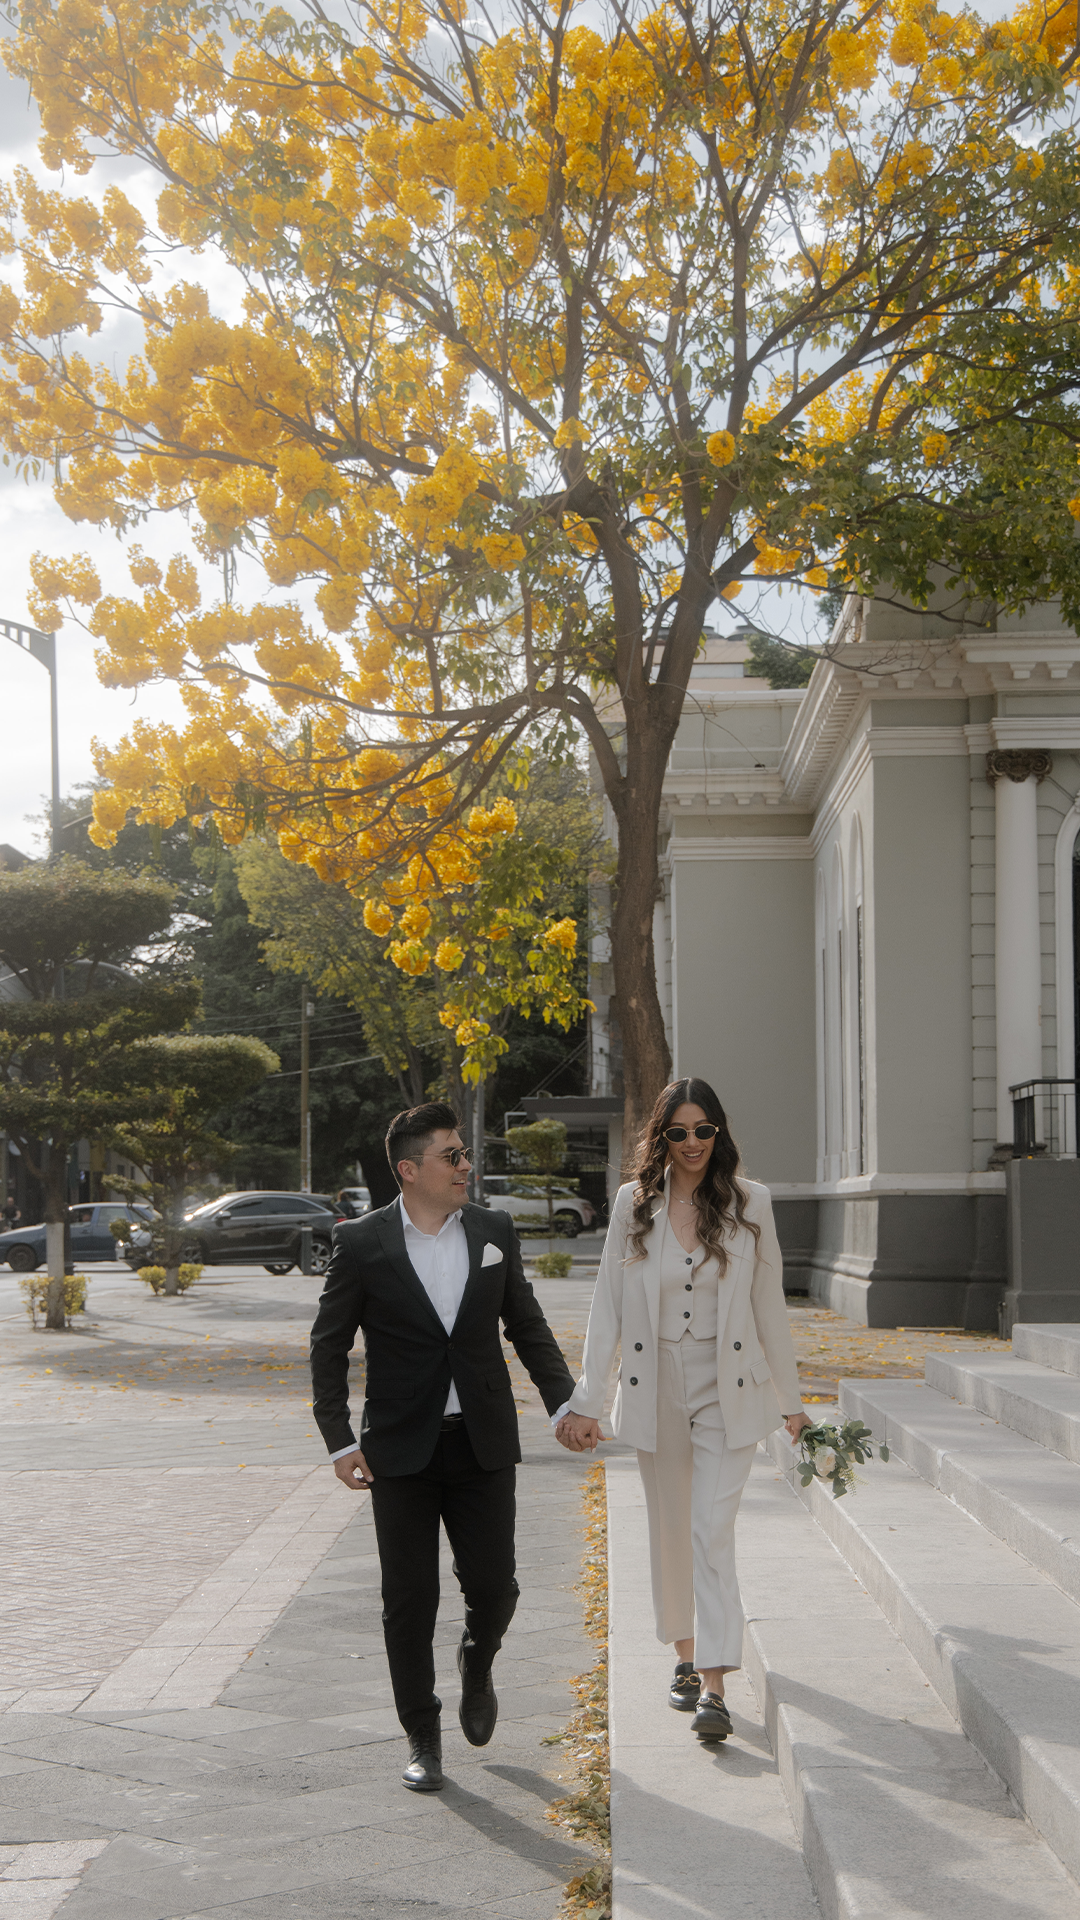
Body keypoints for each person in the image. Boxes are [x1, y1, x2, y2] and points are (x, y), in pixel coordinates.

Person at [310, 1100, 577, 1793]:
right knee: (409, 1599)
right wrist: (339, 1440)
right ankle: (422, 1736)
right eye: (451, 1155)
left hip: (482, 1443)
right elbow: (328, 1346)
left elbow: (526, 1323)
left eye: (465, 1153)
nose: (466, 1165)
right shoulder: (361, 1242)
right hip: (399, 1449)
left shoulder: (492, 1229)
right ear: (409, 1169)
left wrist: (564, 1403)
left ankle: (476, 1660)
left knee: (495, 1586)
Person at [556, 1076, 810, 1745]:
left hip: (730, 1386)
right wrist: (587, 1400)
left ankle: (715, 1685)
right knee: (671, 1528)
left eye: (703, 1130)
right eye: (678, 1132)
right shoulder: (632, 1205)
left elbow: (769, 1308)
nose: (692, 1143)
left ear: (718, 1133)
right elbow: (608, 1306)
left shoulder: (751, 1203)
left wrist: (791, 1402)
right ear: (661, 1138)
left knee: (710, 1527)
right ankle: (685, 1655)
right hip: (656, 1383)